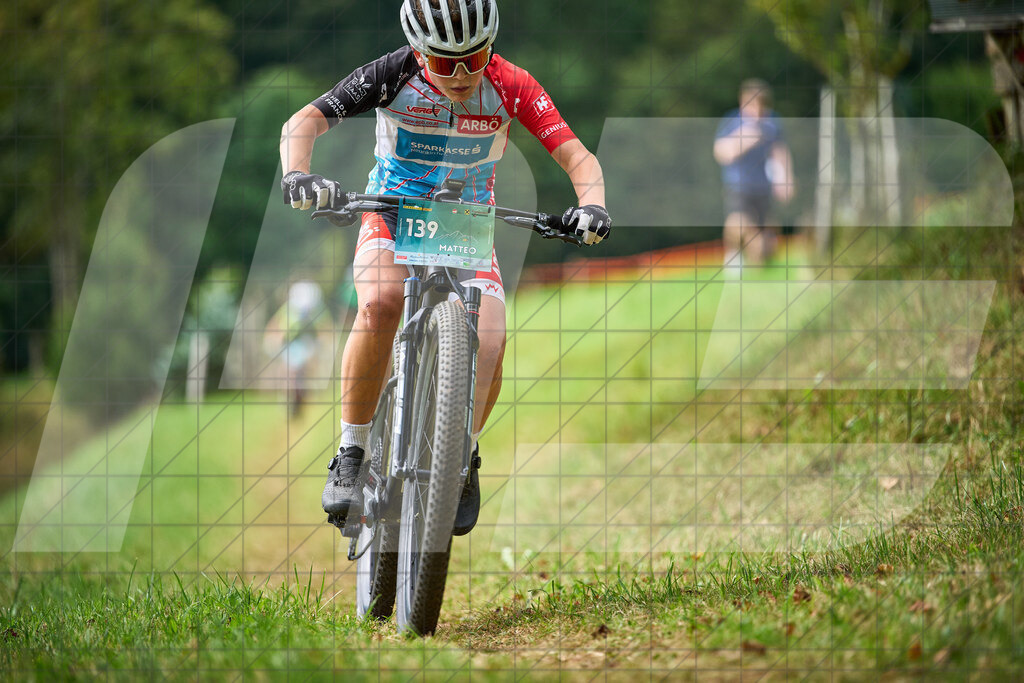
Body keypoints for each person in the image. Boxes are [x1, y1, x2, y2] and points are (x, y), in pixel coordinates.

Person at [279, 0, 610, 534]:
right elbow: (305, 122)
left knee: (492, 337)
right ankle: (352, 452)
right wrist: (298, 174)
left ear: (491, 46)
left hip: (466, 228)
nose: (459, 74)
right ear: (418, 52)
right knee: (382, 303)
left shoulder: (512, 84)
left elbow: (578, 157)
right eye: (442, 63)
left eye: (473, 57)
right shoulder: (392, 73)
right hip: (392, 214)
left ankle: (463, 457)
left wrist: (591, 205)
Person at [713, 79, 794, 275]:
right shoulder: (733, 121)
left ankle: (758, 266)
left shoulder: (772, 123)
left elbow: (779, 151)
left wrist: (785, 179)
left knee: (765, 243)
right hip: (738, 185)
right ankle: (733, 255)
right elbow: (721, 152)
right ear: (743, 102)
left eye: (762, 106)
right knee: (738, 223)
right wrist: (745, 140)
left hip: (763, 187)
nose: (757, 111)